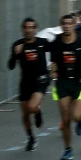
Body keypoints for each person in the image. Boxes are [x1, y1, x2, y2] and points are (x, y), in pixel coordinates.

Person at [47, 13, 81, 160]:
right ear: (61, 25)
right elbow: (54, 62)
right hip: (63, 82)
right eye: (64, 24)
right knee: (65, 119)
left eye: (69, 23)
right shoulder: (56, 42)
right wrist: (53, 71)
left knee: (76, 116)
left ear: (74, 24)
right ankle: (68, 149)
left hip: (79, 82)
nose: (66, 26)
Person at [8, 18, 50, 152]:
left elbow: (57, 52)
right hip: (26, 82)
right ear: (23, 29)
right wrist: (15, 54)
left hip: (41, 80)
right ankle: (31, 137)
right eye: (26, 27)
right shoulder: (18, 44)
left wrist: (55, 68)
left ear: (35, 29)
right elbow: (11, 66)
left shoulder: (42, 43)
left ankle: (37, 111)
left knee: (32, 107)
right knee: (25, 113)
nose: (29, 30)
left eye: (32, 27)